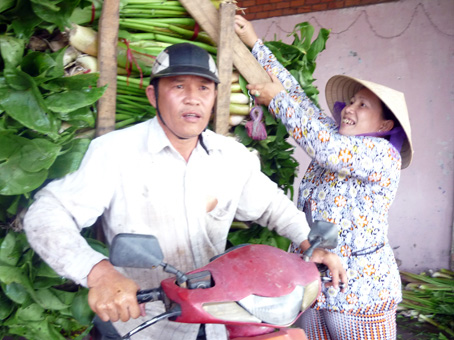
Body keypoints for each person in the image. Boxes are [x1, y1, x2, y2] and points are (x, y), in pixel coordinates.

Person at [22, 43, 347, 340]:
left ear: (214, 98)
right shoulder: (114, 153)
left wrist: (308, 240)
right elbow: (46, 215)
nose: (193, 98)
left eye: (203, 88)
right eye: (178, 86)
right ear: (153, 96)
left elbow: (273, 205)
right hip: (144, 323)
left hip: (220, 317)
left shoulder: (231, 157)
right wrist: (98, 272)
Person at [234, 16, 413, 340]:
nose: (349, 108)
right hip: (316, 282)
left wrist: (276, 100)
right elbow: (297, 96)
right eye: (352, 101)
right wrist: (254, 44)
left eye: (363, 105)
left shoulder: (381, 154)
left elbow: (323, 148)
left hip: (361, 293)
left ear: (385, 126)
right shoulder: (333, 133)